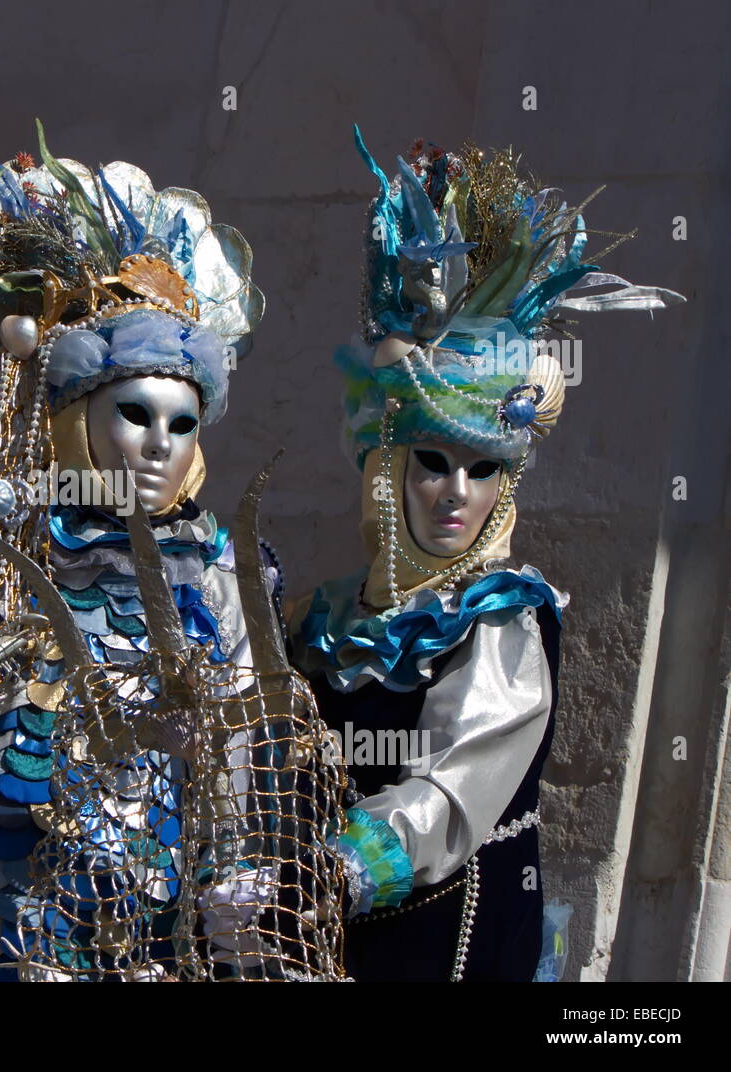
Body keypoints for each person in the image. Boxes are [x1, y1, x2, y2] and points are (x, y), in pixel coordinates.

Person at [0, 128, 343, 981]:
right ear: (76, 414)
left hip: (120, 934)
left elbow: (244, 779)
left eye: (181, 424)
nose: (157, 445)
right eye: (133, 414)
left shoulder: (224, 575)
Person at [290, 128, 684, 981]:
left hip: (450, 946)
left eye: (482, 471)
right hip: (330, 942)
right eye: (431, 463)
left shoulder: (501, 619)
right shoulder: (330, 620)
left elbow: (454, 787)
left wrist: (335, 865)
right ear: (387, 470)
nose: (455, 494)